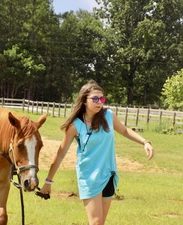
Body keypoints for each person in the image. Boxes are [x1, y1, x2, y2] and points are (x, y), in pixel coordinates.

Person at [39, 80, 154, 225]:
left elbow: (124, 130)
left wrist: (145, 142)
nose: (99, 102)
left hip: (108, 174)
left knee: (100, 223)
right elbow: (60, 154)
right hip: (89, 177)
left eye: (102, 99)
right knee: (96, 223)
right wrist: (48, 182)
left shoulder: (109, 116)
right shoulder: (75, 126)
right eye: (95, 99)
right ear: (84, 101)